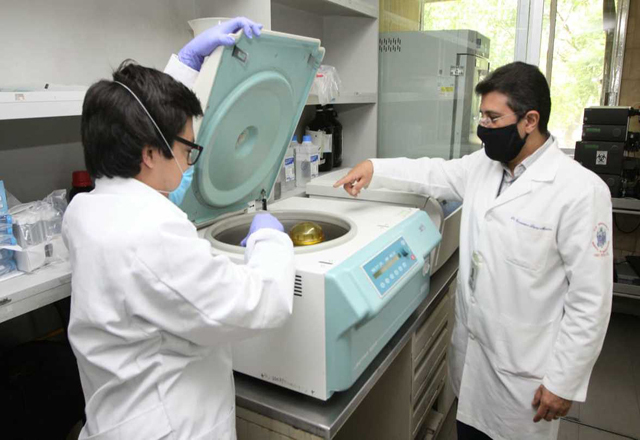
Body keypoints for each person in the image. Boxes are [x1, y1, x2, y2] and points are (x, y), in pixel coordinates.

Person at [335, 62, 612, 440]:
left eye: (493, 118)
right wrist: (373, 167)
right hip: (472, 363)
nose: (483, 127)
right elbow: (432, 173)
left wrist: (563, 382)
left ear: (530, 120)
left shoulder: (580, 191)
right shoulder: (485, 166)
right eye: (481, 115)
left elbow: (590, 300)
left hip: (526, 378)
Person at [62, 17, 295, 440]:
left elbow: (139, 118)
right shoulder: (153, 235)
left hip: (115, 418)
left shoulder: (85, 212)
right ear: (150, 154)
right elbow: (260, 302)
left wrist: (186, 67)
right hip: (172, 427)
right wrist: (270, 237)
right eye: (188, 149)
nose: (190, 163)